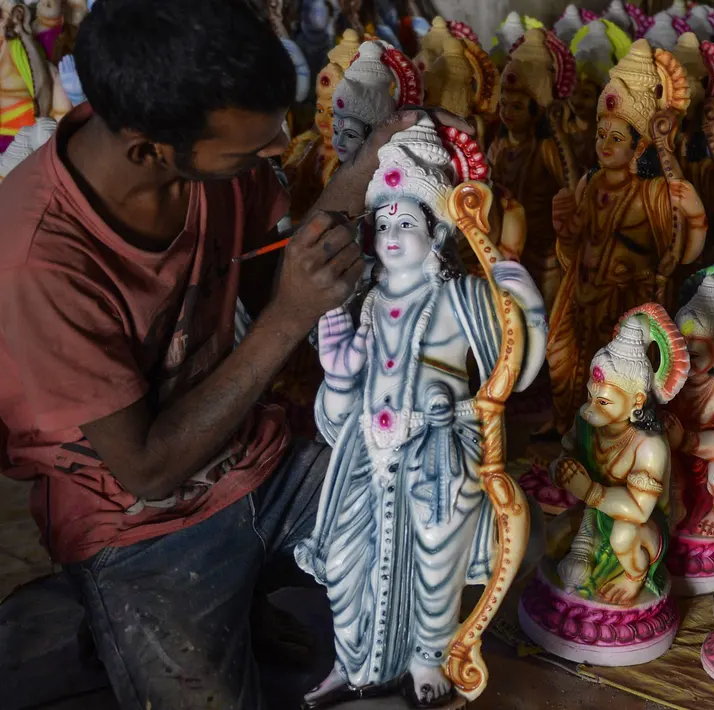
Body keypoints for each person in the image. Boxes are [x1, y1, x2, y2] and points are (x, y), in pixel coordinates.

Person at [0, 0, 418, 708]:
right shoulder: (37, 259)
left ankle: (238, 597)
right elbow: (147, 469)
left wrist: (370, 168)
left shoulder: (206, 161)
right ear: (147, 149)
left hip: (253, 451)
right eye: (249, 150)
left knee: (425, 510)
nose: (274, 153)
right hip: (137, 520)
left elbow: (278, 263)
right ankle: (114, 615)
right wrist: (288, 318)